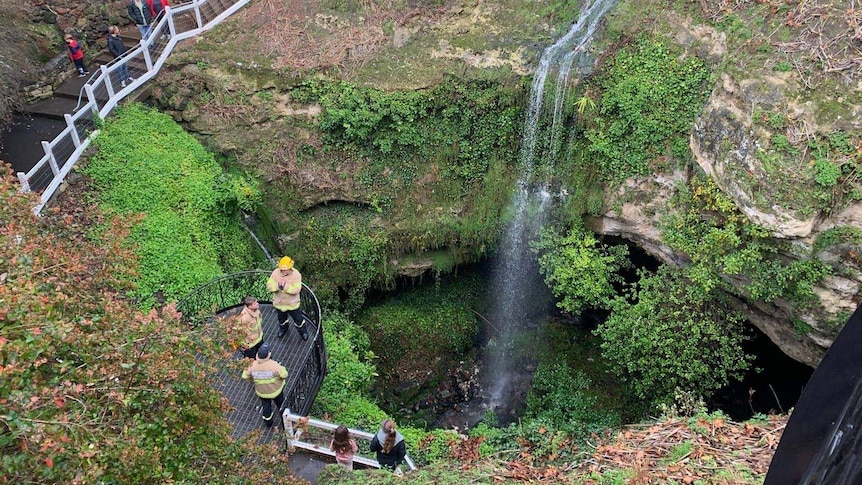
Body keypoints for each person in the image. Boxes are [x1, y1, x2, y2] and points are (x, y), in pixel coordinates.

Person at [241, 343, 288, 428]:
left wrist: (251, 378)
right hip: (276, 390)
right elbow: (284, 375)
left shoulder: (252, 365)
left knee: (266, 407)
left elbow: (244, 376)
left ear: (257, 354)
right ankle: (286, 421)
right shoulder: (274, 365)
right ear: (269, 354)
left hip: (262, 392)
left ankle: (268, 422)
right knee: (281, 405)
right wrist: (282, 368)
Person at [266, 256, 308, 341]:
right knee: (281, 319)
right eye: (282, 269)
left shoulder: (296, 274)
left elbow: (296, 289)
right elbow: (269, 286)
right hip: (279, 303)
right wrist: (278, 285)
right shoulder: (275, 273)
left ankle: (303, 332)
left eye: (285, 269)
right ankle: (283, 330)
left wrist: (285, 286)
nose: (283, 271)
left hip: (292, 304)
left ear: (290, 268)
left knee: (298, 320)